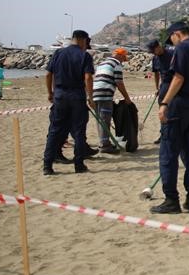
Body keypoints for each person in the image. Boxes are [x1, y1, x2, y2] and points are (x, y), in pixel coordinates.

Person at [151, 22, 189, 215]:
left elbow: (178, 78)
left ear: (177, 34)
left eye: (172, 38)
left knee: (168, 154)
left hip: (178, 105)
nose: (172, 42)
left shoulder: (181, 49)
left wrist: (164, 103)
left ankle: (171, 200)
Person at [42, 30, 95, 176]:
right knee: (79, 132)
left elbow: (48, 74)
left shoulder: (59, 53)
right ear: (83, 40)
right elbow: (88, 78)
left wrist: (50, 93)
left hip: (60, 94)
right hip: (77, 95)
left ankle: (47, 165)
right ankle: (79, 165)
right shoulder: (85, 55)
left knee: (55, 130)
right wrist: (90, 98)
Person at [92, 47, 133, 154]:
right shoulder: (116, 64)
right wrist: (127, 98)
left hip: (95, 93)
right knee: (105, 119)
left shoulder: (102, 64)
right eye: (124, 57)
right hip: (105, 94)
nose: (124, 60)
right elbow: (119, 82)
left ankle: (103, 142)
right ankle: (105, 146)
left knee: (100, 119)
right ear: (120, 55)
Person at [147, 39, 175, 145]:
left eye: (154, 50)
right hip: (164, 85)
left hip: (174, 84)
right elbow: (156, 73)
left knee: (173, 110)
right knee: (162, 111)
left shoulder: (172, 54)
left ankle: (173, 133)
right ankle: (163, 134)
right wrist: (157, 88)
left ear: (159, 46)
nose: (154, 53)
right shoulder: (155, 58)